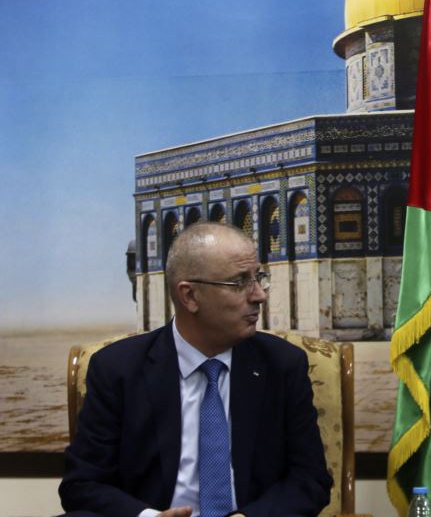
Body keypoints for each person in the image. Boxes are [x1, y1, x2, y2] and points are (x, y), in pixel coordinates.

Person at [60, 221, 332, 517]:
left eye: (259, 278)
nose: (259, 295)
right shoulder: (118, 368)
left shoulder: (282, 364)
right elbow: (82, 485)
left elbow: (310, 480)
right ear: (189, 296)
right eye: (240, 282)